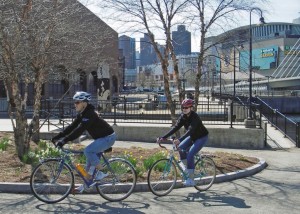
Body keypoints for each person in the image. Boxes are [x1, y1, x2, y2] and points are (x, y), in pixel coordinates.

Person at [51, 91, 116, 193]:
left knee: (88, 151)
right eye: (75, 102)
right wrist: (57, 137)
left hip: (108, 138)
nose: (75, 104)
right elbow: (72, 127)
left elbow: (79, 131)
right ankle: (84, 186)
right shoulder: (83, 114)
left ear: (84, 103)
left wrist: (64, 141)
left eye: (77, 102)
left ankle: (100, 172)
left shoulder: (90, 114)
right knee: (88, 167)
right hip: (101, 139)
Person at [158, 98, 209, 186]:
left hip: (201, 137)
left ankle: (191, 180)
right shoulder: (183, 116)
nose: (184, 109)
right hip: (192, 137)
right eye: (183, 107)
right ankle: (187, 169)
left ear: (191, 108)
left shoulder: (195, 117)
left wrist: (180, 139)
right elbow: (176, 127)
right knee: (180, 148)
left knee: (190, 154)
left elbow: (190, 131)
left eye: (186, 107)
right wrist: (163, 137)